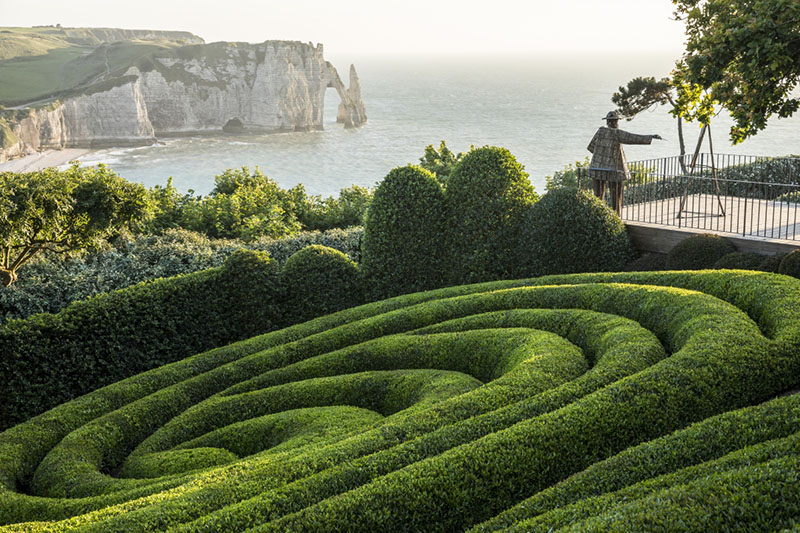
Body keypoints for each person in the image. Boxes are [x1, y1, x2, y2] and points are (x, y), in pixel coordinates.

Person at [587, 110, 661, 215]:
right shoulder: (617, 133)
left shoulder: (600, 132)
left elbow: (591, 147)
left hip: (597, 168)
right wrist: (651, 137)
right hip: (614, 170)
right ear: (616, 122)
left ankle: (597, 215)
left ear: (607, 122)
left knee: (598, 197)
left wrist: (602, 155)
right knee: (615, 196)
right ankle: (615, 217)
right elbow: (632, 138)